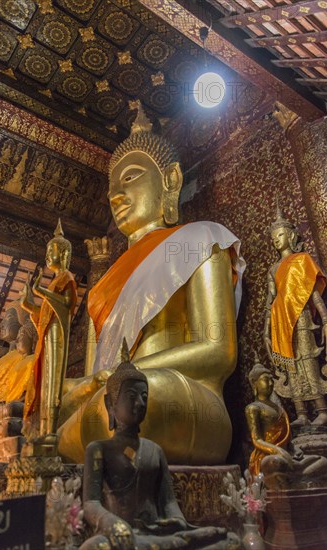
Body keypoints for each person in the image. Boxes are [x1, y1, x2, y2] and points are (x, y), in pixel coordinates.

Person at [58, 105, 245, 465]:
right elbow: (91, 381)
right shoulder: (102, 288)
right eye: (111, 188)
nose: (114, 196)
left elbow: (219, 351)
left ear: (170, 180)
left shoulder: (200, 239)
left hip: (181, 399)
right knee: (53, 415)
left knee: (136, 402)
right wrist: (77, 389)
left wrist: (115, 376)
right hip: (109, 399)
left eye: (129, 178)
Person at [81, 351, 239, 549]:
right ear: (110, 404)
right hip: (121, 536)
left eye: (144, 396)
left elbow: (168, 502)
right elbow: (91, 504)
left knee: (231, 541)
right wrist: (112, 524)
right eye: (131, 396)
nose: (140, 403)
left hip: (157, 534)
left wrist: (177, 521)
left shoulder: (155, 450)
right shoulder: (98, 449)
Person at [263, 206, 327, 426]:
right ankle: (301, 412)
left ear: (290, 236)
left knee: (306, 359)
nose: (276, 240)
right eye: (273, 237)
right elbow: (270, 300)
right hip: (280, 321)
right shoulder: (273, 269)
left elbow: (311, 293)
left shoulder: (301, 260)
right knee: (290, 365)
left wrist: (326, 319)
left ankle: (321, 409)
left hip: (300, 318)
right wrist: (266, 331)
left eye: (280, 235)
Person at [21, 219, 77, 455]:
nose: (47, 255)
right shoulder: (55, 281)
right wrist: (29, 305)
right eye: (47, 250)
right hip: (47, 336)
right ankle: (41, 433)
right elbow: (43, 315)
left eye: (51, 250)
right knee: (43, 382)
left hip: (57, 335)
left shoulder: (66, 278)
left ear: (63, 253)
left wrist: (41, 291)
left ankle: (50, 433)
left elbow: (66, 306)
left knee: (52, 382)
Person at [245, 361, 327, 490]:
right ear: (254, 382)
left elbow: (287, 440)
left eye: (272, 380)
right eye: (265, 380)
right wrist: (277, 450)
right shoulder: (253, 408)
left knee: (323, 461)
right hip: (269, 455)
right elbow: (257, 440)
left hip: (289, 455)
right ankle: (297, 479)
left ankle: (297, 479)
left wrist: (294, 449)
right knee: (274, 463)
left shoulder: (279, 408)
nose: (271, 383)